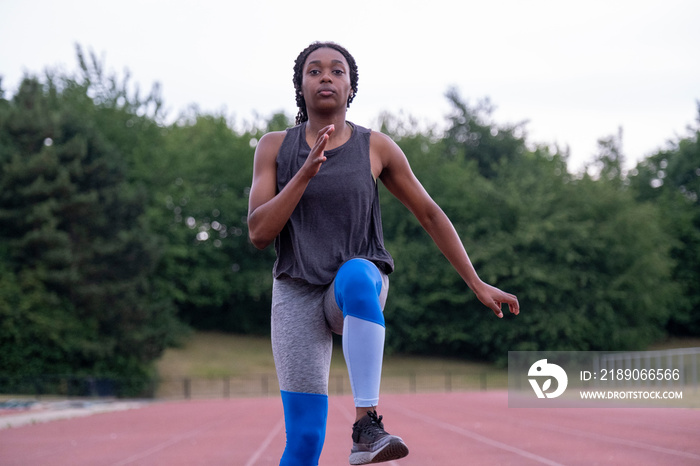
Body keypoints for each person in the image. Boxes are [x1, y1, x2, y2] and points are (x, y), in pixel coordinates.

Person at [247, 41, 520, 466]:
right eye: (314, 71)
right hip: (296, 292)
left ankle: (365, 425)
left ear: (350, 87)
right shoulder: (273, 148)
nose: (325, 77)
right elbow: (259, 233)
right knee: (304, 438)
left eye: (337, 71)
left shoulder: (376, 147)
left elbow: (429, 214)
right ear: (300, 86)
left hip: (354, 285)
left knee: (357, 274)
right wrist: (303, 173)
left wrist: (476, 281)